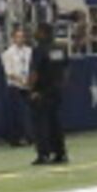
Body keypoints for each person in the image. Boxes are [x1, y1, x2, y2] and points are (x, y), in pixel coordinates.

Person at [26, 20, 69, 166]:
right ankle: (60, 153)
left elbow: (34, 72)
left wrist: (31, 89)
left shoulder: (39, 50)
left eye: (37, 31)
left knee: (40, 125)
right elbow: (66, 68)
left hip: (42, 91)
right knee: (55, 123)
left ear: (43, 33)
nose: (35, 34)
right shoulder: (60, 48)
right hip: (57, 90)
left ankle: (43, 154)